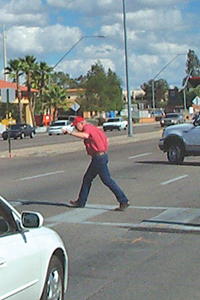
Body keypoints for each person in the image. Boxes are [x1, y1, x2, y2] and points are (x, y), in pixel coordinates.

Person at [63, 116, 129, 211]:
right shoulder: (94, 128)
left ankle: (123, 201)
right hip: (101, 156)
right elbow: (106, 139)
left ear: (81, 123)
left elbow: (86, 136)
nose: (76, 128)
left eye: (76, 126)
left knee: (106, 180)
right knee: (89, 179)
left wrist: (70, 133)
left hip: (99, 158)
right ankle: (81, 201)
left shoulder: (88, 129)